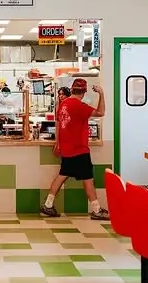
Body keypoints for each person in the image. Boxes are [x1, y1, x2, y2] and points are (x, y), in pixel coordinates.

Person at [41, 77, 109, 220]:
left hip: (67, 148)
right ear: (84, 92)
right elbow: (101, 112)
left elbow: (58, 124)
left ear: (72, 90)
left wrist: (58, 143)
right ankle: (96, 210)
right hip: (79, 149)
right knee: (88, 178)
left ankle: (48, 204)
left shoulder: (63, 105)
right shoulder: (80, 106)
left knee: (62, 175)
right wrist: (101, 94)